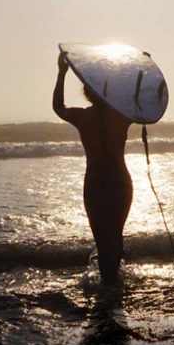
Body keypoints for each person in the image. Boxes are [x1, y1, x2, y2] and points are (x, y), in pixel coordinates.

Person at [53, 51, 133, 282]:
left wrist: (62, 73)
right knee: (116, 235)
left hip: (97, 181)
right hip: (120, 179)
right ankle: (114, 284)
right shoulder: (122, 115)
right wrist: (138, 75)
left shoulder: (82, 118)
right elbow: (138, 104)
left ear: (87, 93)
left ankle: (108, 289)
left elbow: (58, 107)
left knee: (101, 238)